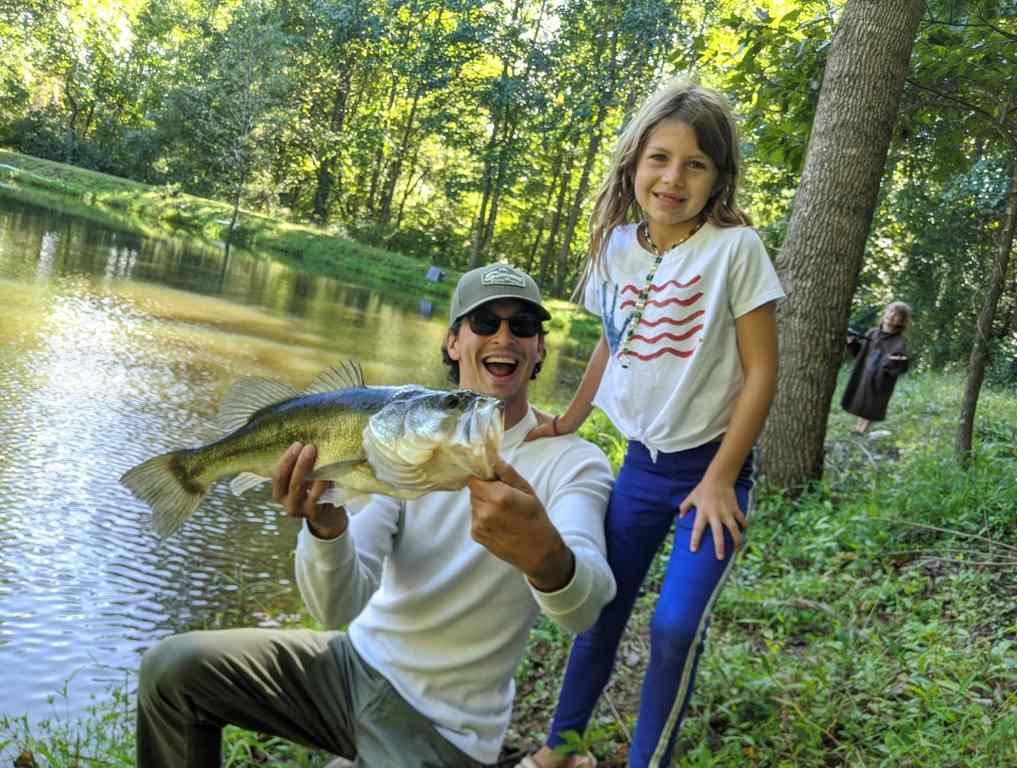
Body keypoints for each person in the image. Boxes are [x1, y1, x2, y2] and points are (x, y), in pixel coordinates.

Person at [135, 262, 617, 768]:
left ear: (539, 348)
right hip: (351, 667)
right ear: (454, 341)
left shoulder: (572, 461)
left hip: (444, 728)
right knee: (173, 670)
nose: (505, 338)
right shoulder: (399, 433)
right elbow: (338, 609)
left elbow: (585, 610)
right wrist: (325, 527)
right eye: (484, 323)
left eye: (523, 327)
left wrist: (545, 558)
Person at [518, 80, 785, 768]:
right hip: (640, 466)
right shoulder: (615, 245)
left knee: (673, 628)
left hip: (712, 471)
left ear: (719, 178)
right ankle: (561, 748)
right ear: (633, 163)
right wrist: (571, 417)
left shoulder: (736, 249)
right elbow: (614, 335)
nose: (673, 178)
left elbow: (761, 372)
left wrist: (723, 478)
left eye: (696, 164)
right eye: (659, 159)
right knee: (603, 607)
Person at [841, 301, 911, 434]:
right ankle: (857, 429)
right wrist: (852, 343)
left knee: (872, 404)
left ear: (901, 322)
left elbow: (900, 364)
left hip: (881, 379)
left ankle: (861, 432)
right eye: (890, 311)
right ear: (884, 313)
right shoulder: (872, 333)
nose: (892, 315)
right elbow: (860, 353)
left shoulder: (899, 341)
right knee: (861, 400)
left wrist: (895, 362)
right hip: (865, 374)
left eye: (897, 315)